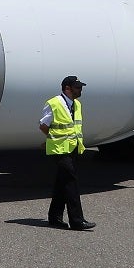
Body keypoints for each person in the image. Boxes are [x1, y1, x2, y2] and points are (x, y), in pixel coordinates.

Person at [41, 75, 95, 230]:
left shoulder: (77, 105)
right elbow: (43, 125)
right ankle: (77, 220)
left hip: (72, 148)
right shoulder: (54, 103)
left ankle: (54, 217)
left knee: (62, 183)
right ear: (67, 88)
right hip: (58, 149)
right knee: (71, 182)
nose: (80, 90)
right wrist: (52, 138)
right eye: (77, 87)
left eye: (81, 87)